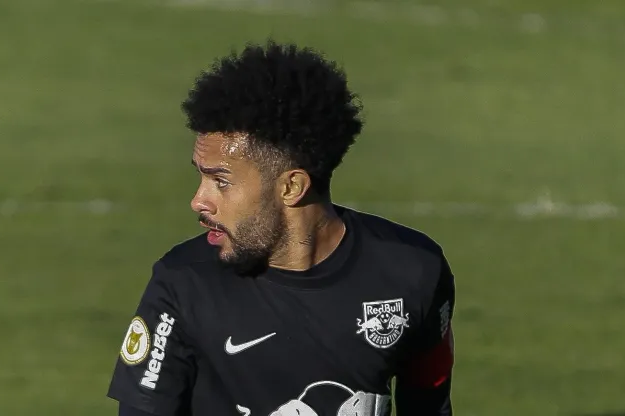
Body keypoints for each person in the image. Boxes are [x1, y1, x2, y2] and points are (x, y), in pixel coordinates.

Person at [106, 40, 456, 416]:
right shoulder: (184, 284)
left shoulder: (413, 271)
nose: (199, 201)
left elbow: (429, 403)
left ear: (291, 187)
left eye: (220, 181)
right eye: (201, 178)